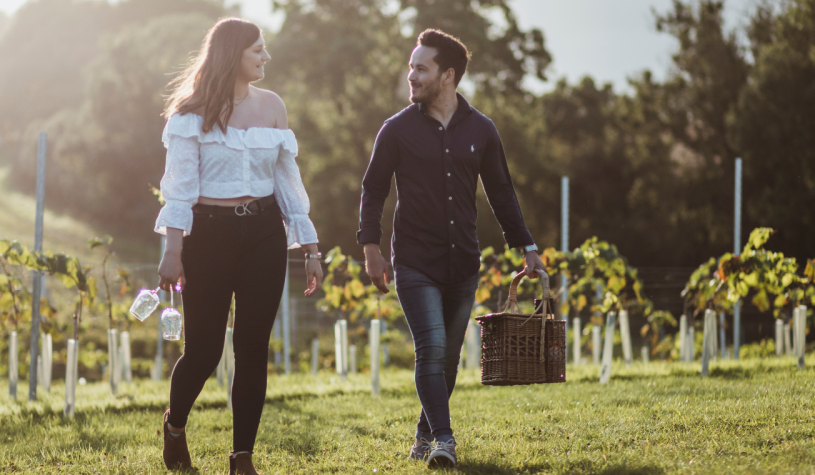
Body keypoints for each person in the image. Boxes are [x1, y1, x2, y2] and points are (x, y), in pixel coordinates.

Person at [357, 29, 542, 469]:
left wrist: (527, 246)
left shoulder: (482, 130)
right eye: (410, 67)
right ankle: (445, 438)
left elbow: (501, 192)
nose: (411, 76)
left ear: (448, 75)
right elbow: (373, 190)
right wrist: (371, 248)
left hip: (464, 261)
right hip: (416, 261)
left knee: (451, 357)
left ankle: (424, 433)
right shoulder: (396, 130)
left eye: (420, 68)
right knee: (432, 346)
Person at [155, 17, 324, 475]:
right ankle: (174, 426)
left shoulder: (272, 107)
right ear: (233, 55)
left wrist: (310, 248)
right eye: (257, 51)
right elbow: (180, 189)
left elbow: (288, 182)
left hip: (265, 235)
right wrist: (172, 249)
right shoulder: (190, 114)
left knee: (253, 347)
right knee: (205, 351)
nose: (266, 57)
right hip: (207, 237)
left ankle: (242, 457)